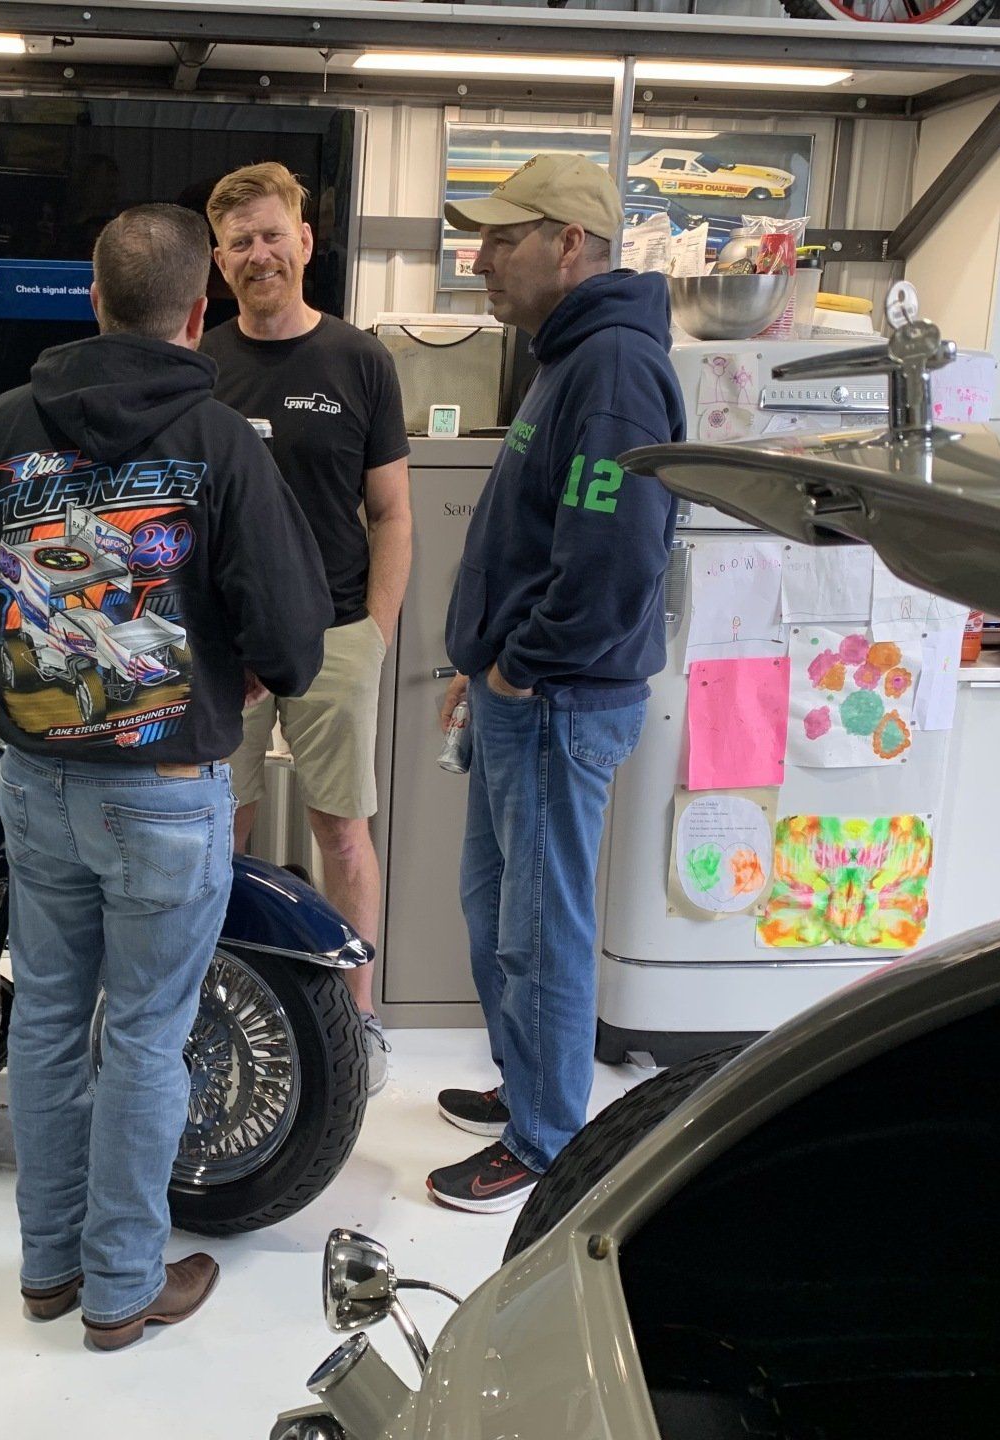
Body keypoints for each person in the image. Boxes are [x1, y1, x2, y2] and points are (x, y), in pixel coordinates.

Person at [0, 204, 331, 1346]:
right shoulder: (221, 443)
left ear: (92, 300)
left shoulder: (6, 425)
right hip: (164, 790)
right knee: (148, 1034)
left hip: (36, 780)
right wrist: (224, 664)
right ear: (197, 313)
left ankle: (49, 1272)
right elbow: (295, 640)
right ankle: (123, 1287)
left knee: (48, 1022)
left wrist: (46, 627)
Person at [425, 154, 685, 1213]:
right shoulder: (568, 358)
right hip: (517, 693)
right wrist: (475, 666)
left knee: (539, 923)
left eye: (501, 239)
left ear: (568, 243)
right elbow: (539, 539)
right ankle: (531, 1087)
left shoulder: (614, 366)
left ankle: (545, 1145)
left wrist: (520, 665)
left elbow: (616, 553)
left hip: (554, 699)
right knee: (495, 909)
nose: (480, 259)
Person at [200, 162, 413, 1093]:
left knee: (344, 836)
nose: (259, 255)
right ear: (217, 260)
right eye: (240, 242)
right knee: (219, 834)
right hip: (228, 648)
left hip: (335, 636)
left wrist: (377, 631)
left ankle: (358, 1021)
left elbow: (393, 516)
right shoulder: (202, 362)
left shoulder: (361, 361)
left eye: (272, 235)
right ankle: (217, 1003)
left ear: (305, 242)